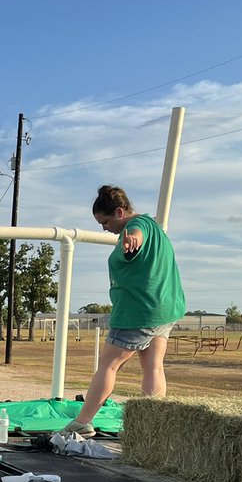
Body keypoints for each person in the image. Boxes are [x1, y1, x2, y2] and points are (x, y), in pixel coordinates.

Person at [63, 185, 186, 438]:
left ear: (119, 212)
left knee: (108, 365)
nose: (104, 228)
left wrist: (132, 242)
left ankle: (83, 422)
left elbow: (135, 236)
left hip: (138, 312)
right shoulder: (154, 226)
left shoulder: (134, 228)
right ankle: (152, 427)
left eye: (105, 221)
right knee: (153, 366)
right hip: (165, 308)